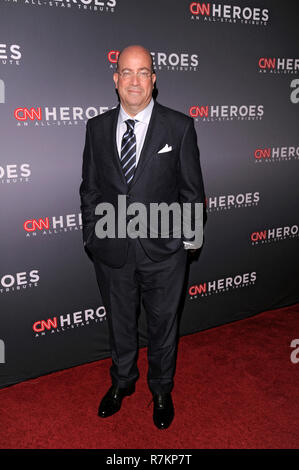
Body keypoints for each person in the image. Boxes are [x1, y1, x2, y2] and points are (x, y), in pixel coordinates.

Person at [79, 45, 205, 429]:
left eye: (143, 72)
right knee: (119, 323)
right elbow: (91, 189)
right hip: (112, 249)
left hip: (165, 253)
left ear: (154, 79)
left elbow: (192, 191)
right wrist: (92, 236)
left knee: (163, 325)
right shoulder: (96, 127)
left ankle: (162, 389)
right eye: (127, 72)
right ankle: (122, 382)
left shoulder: (179, 126)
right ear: (115, 80)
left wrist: (187, 245)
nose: (135, 80)